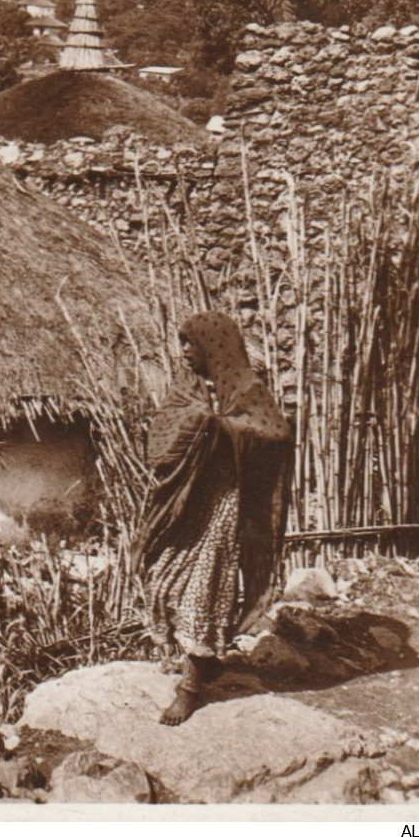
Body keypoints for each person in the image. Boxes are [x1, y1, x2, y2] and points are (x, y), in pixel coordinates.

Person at [139, 311, 294, 726]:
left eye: (191, 343)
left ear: (215, 347)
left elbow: (275, 432)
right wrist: (194, 424)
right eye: (182, 343)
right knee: (163, 573)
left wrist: (222, 428)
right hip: (189, 501)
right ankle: (204, 662)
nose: (185, 352)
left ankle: (191, 686)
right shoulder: (188, 388)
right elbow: (163, 436)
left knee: (202, 587)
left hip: (227, 499)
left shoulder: (247, 389)